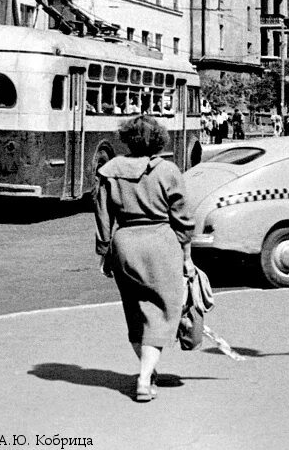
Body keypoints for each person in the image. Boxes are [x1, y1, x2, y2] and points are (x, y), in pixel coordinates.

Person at [94, 115, 196, 403]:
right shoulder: (167, 170)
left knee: (135, 312)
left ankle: (147, 371)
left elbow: (102, 215)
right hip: (161, 243)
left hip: (124, 244)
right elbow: (184, 220)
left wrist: (104, 252)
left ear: (127, 138)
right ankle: (143, 377)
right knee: (162, 314)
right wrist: (185, 252)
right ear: (159, 140)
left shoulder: (109, 170)